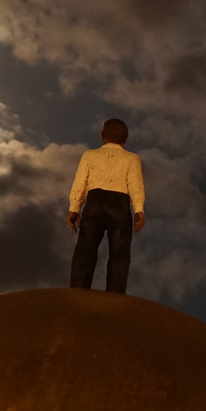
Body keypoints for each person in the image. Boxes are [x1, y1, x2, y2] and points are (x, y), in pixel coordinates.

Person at [67, 118, 145, 293]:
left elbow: (80, 183)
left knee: (85, 249)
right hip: (120, 205)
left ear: (102, 135)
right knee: (120, 253)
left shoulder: (89, 155)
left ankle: (78, 291)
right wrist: (139, 210)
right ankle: (115, 295)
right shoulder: (133, 159)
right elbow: (135, 185)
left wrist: (74, 208)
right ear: (126, 138)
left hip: (95, 200)